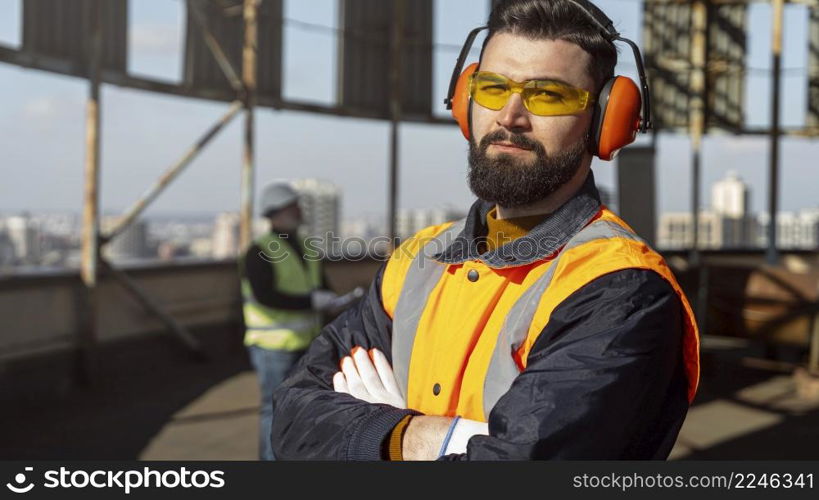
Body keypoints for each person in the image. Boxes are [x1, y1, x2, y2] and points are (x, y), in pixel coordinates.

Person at [270, 0, 700, 460]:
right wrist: (426, 439)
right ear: (464, 101)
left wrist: (380, 433)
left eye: (548, 95)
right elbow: (294, 417)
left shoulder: (620, 290)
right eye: (492, 88)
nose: (509, 116)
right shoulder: (417, 260)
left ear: (604, 123)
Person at [240, 181, 360, 460]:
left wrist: (331, 300)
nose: (299, 210)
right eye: (293, 206)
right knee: (273, 409)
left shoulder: (305, 246)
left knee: (305, 406)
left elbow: (319, 284)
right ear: (276, 212)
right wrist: (312, 302)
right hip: (273, 348)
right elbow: (265, 297)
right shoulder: (258, 251)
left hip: (307, 342)